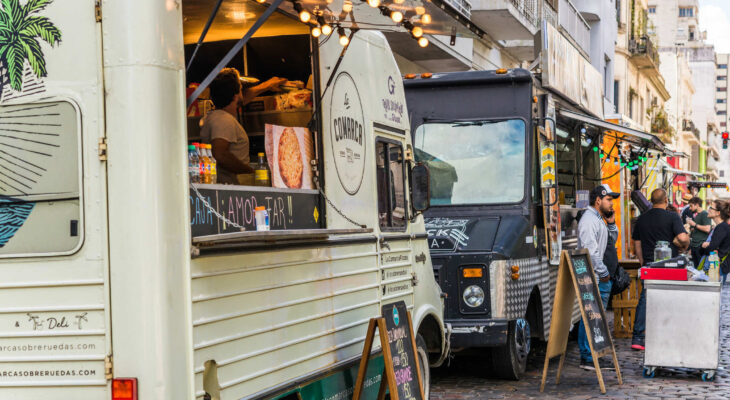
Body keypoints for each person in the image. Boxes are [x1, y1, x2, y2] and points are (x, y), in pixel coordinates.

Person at [200, 68, 286, 184]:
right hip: (229, 189)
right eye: (240, 88)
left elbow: (242, 98)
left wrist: (268, 85)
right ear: (235, 94)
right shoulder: (223, 120)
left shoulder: (219, 115)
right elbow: (220, 154)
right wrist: (249, 171)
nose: (242, 90)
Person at [630, 188, 690, 351]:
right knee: (670, 298)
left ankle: (638, 337)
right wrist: (685, 245)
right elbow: (683, 238)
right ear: (666, 201)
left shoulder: (642, 218)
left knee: (646, 298)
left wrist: (643, 263)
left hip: (650, 266)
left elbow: (637, 243)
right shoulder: (672, 216)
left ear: (651, 200)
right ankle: (668, 334)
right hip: (670, 266)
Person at [577, 184, 619, 371]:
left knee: (595, 316)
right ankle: (587, 356)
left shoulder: (597, 218)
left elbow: (611, 240)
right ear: (598, 200)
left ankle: (593, 354)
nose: (611, 204)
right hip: (592, 275)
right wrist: (603, 273)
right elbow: (590, 251)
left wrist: (612, 223)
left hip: (598, 274)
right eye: (609, 199)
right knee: (590, 315)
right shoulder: (588, 220)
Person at [701, 200, 730, 283]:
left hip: (717, 268)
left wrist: (704, 246)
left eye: (711, 207)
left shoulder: (721, 227)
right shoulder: (723, 227)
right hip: (719, 267)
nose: (708, 209)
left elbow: (710, 249)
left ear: (718, 213)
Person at [686, 197, 712, 267]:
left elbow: (707, 229)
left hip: (700, 245)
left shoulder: (704, 214)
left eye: (691, 206)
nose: (690, 208)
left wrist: (694, 224)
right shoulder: (697, 215)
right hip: (695, 245)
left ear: (697, 205)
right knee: (696, 268)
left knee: (700, 268)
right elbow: (697, 229)